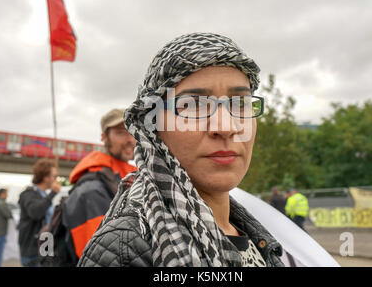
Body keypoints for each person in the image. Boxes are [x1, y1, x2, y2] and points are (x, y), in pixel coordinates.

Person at [78, 32, 284, 267]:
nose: (226, 127)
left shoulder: (253, 234)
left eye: (240, 103)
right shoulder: (126, 248)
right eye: (193, 105)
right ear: (153, 126)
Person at [62, 108, 137, 263]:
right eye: (121, 132)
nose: (130, 139)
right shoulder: (91, 191)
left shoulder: (125, 178)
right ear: (104, 137)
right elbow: (99, 259)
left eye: (133, 130)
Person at [18, 158, 62, 267]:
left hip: (43, 247)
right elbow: (36, 213)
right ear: (45, 177)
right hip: (32, 249)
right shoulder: (29, 194)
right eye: (54, 176)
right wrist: (53, 193)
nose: (57, 180)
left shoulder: (42, 195)